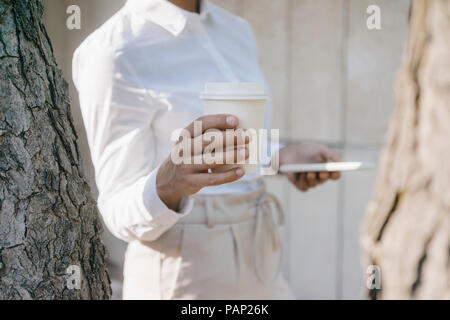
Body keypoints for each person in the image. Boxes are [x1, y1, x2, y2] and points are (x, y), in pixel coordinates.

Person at [73, 0, 341, 299]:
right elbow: (116, 209)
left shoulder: (235, 30)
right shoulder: (114, 51)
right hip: (182, 266)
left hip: (261, 250)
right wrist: (166, 186)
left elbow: (231, 144)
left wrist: (280, 155)